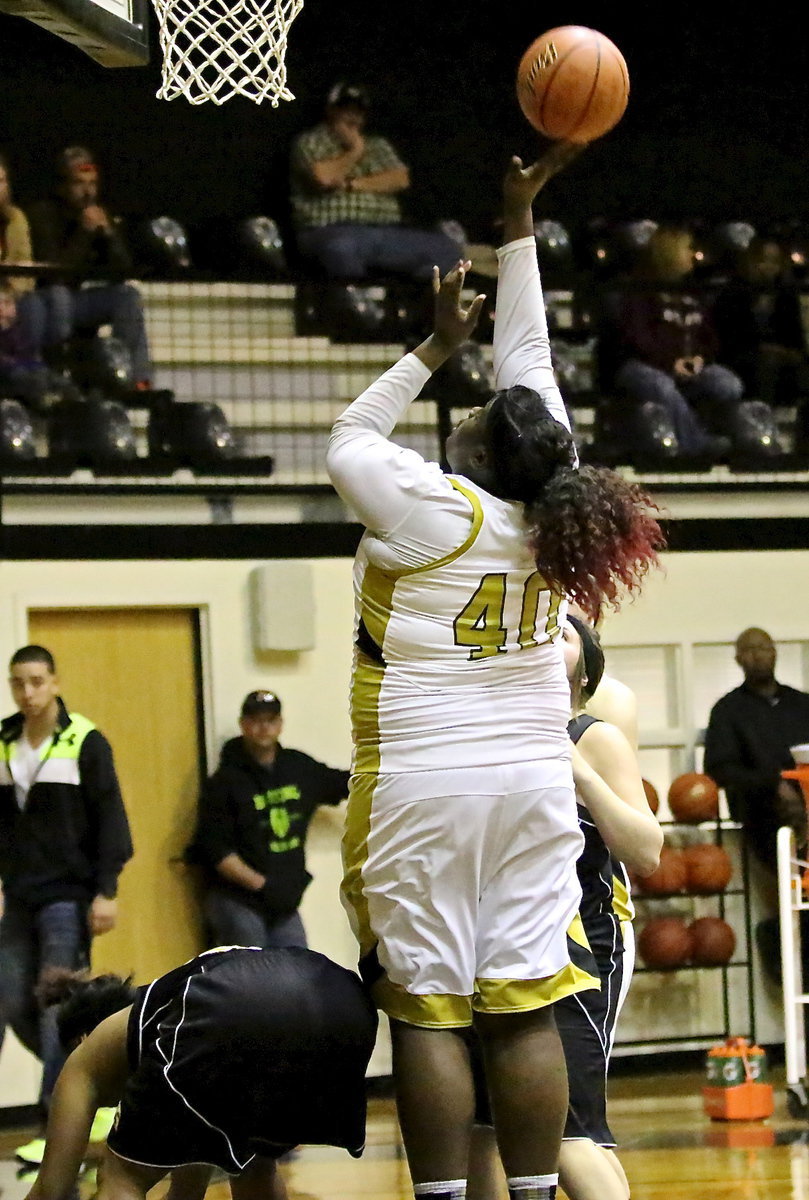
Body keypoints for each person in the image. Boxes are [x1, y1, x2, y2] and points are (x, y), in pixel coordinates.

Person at [325, 143, 664, 1200]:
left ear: (472, 452)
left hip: (424, 784)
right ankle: (527, 1195)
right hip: (529, 784)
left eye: (468, 422)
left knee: (425, 1001)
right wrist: (516, 216)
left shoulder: (433, 504)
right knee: (520, 1005)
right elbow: (529, 358)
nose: (467, 416)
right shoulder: (550, 507)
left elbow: (349, 435)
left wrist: (430, 346)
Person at [467, 617, 662, 1200]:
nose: (547, 638)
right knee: (486, 1121)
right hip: (498, 944)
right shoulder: (490, 740)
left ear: (586, 668)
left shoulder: (595, 736)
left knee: (568, 1125)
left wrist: (575, 770)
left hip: (584, 941)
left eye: (565, 634)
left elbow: (647, 850)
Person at [24, 944, 378, 1200]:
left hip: (240, 1003)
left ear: (82, 1039)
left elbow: (49, 1192)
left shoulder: (93, 1053)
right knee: (255, 1167)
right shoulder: (179, 1040)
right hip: (343, 1004)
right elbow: (186, 1193)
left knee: (122, 1176)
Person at [0, 644, 132, 1159]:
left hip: (68, 896)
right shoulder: (5, 740)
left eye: (36, 681)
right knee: (13, 1000)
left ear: (54, 682)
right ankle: (92, 1084)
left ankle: (54, 1123)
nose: (28, 692)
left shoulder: (85, 740)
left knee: (59, 1008)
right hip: (21, 895)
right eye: (18, 683)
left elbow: (111, 818)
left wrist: (107, 890)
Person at [188, 689, 349, 950]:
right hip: (239, 899)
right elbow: (217, 850)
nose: (263, 727)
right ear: (243, 725)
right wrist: (261, 885)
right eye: (255, 720)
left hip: (283, 902)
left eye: (270, 720)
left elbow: (341, 783)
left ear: (280, 724)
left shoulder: (297, 767)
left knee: (299, 968)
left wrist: (384, 776)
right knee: (252, 969)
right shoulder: (224, 782)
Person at [290, 82, 459, 283]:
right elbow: (324, 178)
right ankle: (359, 307)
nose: (353, 117)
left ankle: (409, 305)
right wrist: (355, 151)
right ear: (331, 111)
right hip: (329, 230)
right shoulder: (311, 141)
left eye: (358, 111)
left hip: (385, 231)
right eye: (346, 110)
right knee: (341, 248)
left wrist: (350, 184)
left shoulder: (378, 146)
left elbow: (400, 179)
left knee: (448, 250)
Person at [609, 224, 740, 461]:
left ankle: (735, 442)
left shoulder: (692, 292)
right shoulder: (640, 290)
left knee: (728, 384)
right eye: (688, 249)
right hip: (641, 367)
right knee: (663, 387)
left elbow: (709, 338)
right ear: (670, 252)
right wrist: (671, 363)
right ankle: (696, 445)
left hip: (688, 367)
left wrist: (701, 359)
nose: (693, 255)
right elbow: (637, 339)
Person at [26, 145, 152, 387]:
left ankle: (135, 380)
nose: (87, 192)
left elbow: (124, 268)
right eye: (79, 183)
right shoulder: (42, 214)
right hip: (46, 300)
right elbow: (55, 274)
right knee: (60, 295)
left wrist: (109, 236)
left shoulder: (99, 215)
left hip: (81, 301)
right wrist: (84, 233)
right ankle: (60, 374)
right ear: (62, 186)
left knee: (128, 295)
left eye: (92, 184)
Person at [704, 627, 809, 876]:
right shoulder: (728, 710)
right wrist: (773, 783)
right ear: (738, 659)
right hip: (762, 812)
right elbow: (720, 769)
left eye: (764, 648)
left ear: (775, 653)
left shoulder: (802, 704)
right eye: (749, 650)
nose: (758, 656)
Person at [713, 237, 809, 445]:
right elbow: (730, 338)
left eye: (775, 261)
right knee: (765, 366)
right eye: (764, 260)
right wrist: (763, 348)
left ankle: (797, 434)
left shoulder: (785, 294)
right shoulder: (733, 292)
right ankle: (762, 427)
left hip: (781, 355)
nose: (769, 267)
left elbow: (796, 339)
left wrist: (788, 352)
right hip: (741, 356)